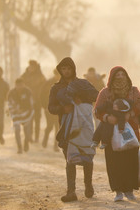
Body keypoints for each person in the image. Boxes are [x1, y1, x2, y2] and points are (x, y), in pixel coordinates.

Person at [94, 66, 140, 202]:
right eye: (117, 75)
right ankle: (118, 191)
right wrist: (107, 118)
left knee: (130, 162)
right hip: (111, 133)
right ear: (111, 77)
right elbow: (97, 111)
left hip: (131, 131)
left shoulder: (133, 91)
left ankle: (129, 190)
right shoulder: (105, 93)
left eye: (122, 74)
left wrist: (131, 113)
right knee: (114, 163)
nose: (119, 77)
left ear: (127, 76)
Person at [48, 57, 94, 202]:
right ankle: (71, 191)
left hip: (84, 127)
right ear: (60, 71)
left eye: (68, 68)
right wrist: (63, 108)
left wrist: (80, 97)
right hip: (67, 128)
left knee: (86, 156)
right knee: (70, 160)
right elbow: (51, 108)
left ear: (73, 69)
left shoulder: (83, 84)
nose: (66, 71)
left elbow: (95, 95)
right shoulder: (56, 88)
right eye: (63, 69)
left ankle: (88, 185)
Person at [21, 60, 46, 143]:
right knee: (29, 119)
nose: (31, 68)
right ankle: (29, 136)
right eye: (30, 66)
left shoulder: (41, 76)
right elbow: (19, 86)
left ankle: (36, 137)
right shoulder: (24, 76)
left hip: (37, 101)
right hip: (27, 101)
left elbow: (44, 88)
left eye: (33, 67)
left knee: (37, 119)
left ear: (35, 67)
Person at [7, 78, 34, 154]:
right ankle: (19, 147)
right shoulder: (11, 93)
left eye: (21, 85)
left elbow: (31, 104)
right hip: (16, 114)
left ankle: (26, 143)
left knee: (27, 131)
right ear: (15, 85)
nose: (20, 87)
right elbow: (9, 103)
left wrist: (23, 109)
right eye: (18, 85)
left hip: (26, 113)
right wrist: (15, 110)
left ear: (24, 85)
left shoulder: (28, 92)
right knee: (17, 130)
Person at [40, 69, 60, 151]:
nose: (58, 76)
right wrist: (45, 106)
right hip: (49, 108)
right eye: (57, 74)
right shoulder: (48, 83)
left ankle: (56, 145)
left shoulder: (65, 83)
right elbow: (42, 95)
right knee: (50, 126)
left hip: (60, 109)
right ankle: (45, 138)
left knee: (58, 127)